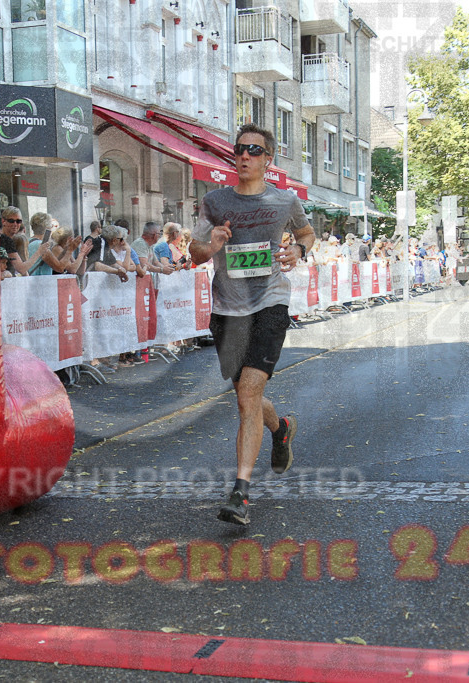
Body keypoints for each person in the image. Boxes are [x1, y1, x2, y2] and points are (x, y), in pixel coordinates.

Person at [188, 123, 316, 526]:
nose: (244, 156)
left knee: (248, 392)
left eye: (253, 151)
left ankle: (240, 493)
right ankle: (281, 429)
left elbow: (308, 232)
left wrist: (297, 248)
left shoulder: (284, 200)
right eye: (239, 150)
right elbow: (194, 251)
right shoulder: (215, 201)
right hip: (228, 309)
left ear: (267, 160)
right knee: (247, 397)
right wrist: (211, 247)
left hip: (270, 303)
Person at [0, 206, 47, 276]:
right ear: (3, 221)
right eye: (11, 221)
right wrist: (39, 252)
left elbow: (23, 270)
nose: (15, 224)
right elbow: (21, 268)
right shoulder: (5, 239)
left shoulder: (7, 238)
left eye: (18, 221)